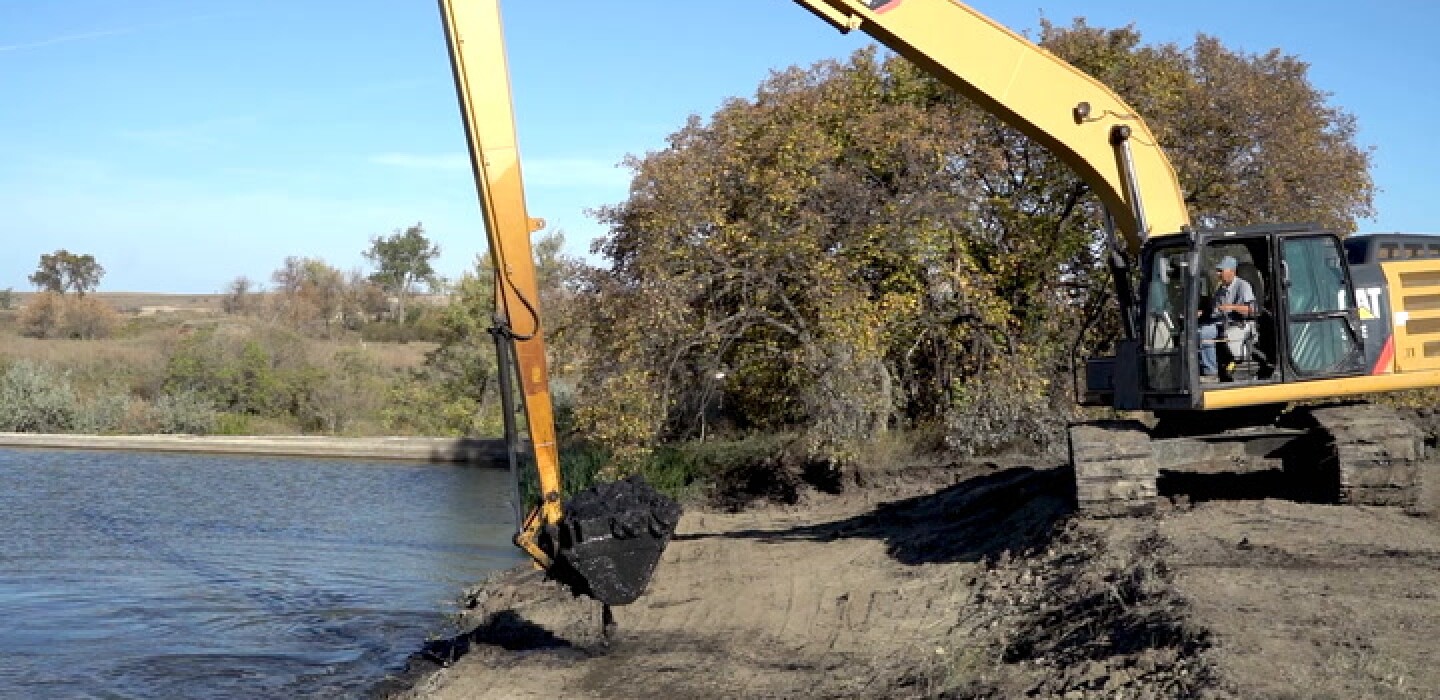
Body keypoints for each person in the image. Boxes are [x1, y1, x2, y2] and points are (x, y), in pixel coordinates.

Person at [1200, 255, 1256, 381]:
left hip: (1237, 324)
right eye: (1218, 271)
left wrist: (1231, 307)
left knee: (1205, 333)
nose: (1218, 274)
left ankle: (1211, 373)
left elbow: (1251, 310)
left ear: (1232, 271)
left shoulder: (1243, 286)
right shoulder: (1221, 288)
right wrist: (1202, 313)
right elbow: (1215, 309)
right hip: (1219, 322)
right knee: (1195, 330)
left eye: (1221, 271)